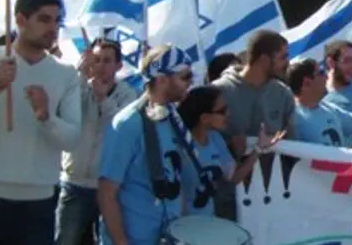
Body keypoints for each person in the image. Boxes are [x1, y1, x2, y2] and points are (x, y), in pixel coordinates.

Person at [0, 0, 82, 245]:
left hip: (38, 203)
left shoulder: (67, 75)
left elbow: (72, 139)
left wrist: (46, 117)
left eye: (57, 21)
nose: (53, 28)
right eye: (44, 19)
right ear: (20, 20)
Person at [97, 45, 194, 245]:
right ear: (162, 79)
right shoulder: (128, 124)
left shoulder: (173, 120)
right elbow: (107, 192)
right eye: (184, 77)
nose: (190, 83)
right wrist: (121, 242)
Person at [56, 38, 138, 245]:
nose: (100, 65)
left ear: (118, 65)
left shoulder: (127, 94)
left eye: (107, 60)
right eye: (97, 60)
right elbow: (61, 108)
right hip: (74, 181)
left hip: (107, 186)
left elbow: (121, 127)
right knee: (66, 238)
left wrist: (103, 100)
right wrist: (79, 75)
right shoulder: (78, 87)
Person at [212, 30, 295, 221]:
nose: (288, 63)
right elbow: (202, 142)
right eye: (283, 57)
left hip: (270, 202)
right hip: (226, 203)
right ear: (265, 59)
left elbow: (293, 147)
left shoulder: (283, 95)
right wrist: (229, 146)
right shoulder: (219, 91)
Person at [176, 85, 284, 216]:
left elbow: (233, 177)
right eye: (222, 111)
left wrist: (258, 149)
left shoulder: (215, 139)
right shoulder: (178, 145)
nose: (228, 114)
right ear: (204, 118)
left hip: (208, 223)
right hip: (180, 226)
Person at [286, 58, 352, 148]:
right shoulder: (292, 118)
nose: (327, 76)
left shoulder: (328, 108)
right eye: (321, 72)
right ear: (306, 82)